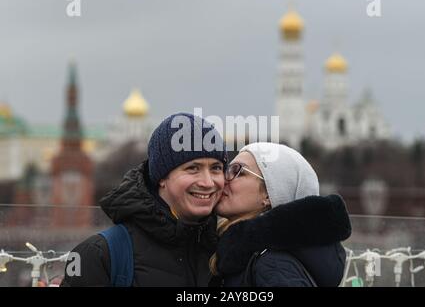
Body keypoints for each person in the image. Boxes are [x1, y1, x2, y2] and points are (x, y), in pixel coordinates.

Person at [61, 112, 227, 286]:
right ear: (162, 177)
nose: (208, 182)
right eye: (193, 168)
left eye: (216, 168)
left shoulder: (229, 249)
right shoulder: (99, 254)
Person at [210, 142, 352, 287]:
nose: (224, 179)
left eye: (237, 171)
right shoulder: (246, 251)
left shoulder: (272, 265)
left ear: (269, 194)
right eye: (226, 170)